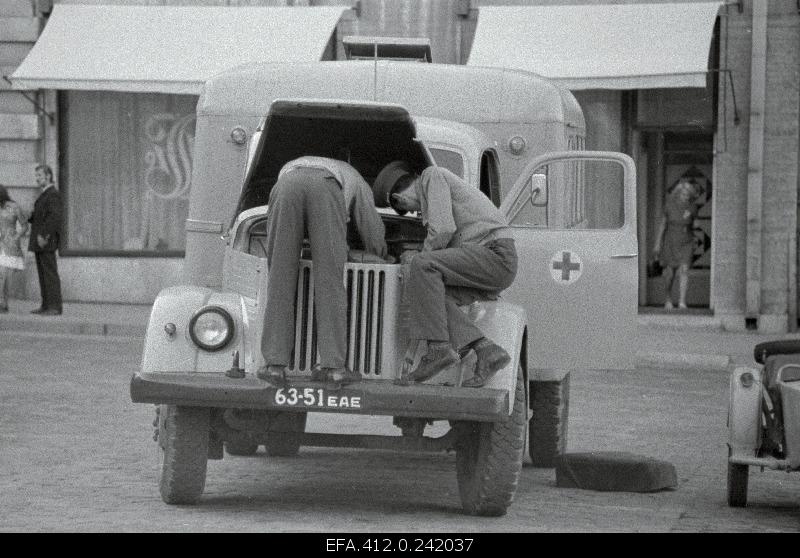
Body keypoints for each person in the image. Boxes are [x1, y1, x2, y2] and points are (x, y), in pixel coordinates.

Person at [372, 161, 518, 388]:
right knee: (431, 295)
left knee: (420, 265)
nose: (415, 212)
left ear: (399, 199)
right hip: (492, 260)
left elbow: (442, 230)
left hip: (495, 254)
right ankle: (486, 350)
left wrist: (417, 262)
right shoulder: (439, 184)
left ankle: (439, 349)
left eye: (411, 209)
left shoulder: (432, 175)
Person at [258, 156, 389, 386]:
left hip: (285, 185)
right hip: (326, 189)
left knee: (279, 279)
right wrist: (382, 253)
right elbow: (371, 227)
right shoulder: (356, 178)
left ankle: (274, 366)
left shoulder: (296, 165)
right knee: (329, 282)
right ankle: (333, 368)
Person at [653, 178, 704, 310]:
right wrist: (658, 244)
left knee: (684, 270)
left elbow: (696, 224)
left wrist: (696, 223)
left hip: (686, 240)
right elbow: (663, 225)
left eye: (688, 195)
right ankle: (668, 298)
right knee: (669, 273)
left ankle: (682, 301)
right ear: (677, 194)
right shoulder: (669, 206)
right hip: (670, 240)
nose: (685, 197)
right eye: (683, 194)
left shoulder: (693, 207)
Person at [28, 164, 63, 316]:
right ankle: (46, 304)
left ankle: (55, 306)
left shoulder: (53, 194)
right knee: (43, 273)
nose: (37, 179)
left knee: (49, 273)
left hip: (45, 240)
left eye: (40, 176)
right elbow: (41, 216)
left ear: (48, 176)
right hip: (39, 240)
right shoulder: (44, 194)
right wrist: (30, 216)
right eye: (36, 176)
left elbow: (54, 217)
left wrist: (44, 235)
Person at [0, 185, 29, 313]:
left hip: (10, 245)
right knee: (1, 275)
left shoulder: (14, 207)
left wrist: (17, 236)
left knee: (4, 275)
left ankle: (3, 302)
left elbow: (24, 225)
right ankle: (3, 302)